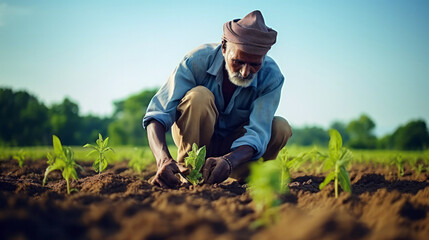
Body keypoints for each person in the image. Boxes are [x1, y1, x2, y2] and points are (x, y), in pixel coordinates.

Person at [143, 10, 292, 188]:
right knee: (199, 96)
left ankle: (249, 180)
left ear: (263, 58)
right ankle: (190, 174)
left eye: (255, 64)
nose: (245, 72)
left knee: (280, 127)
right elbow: (158, 113)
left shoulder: (271, 77)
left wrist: (229, 161)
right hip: (195, 141)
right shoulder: (196, 61)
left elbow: (258, 132)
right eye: (238, 61)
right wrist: (163, 159)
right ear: (223, 48)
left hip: (236, 153)